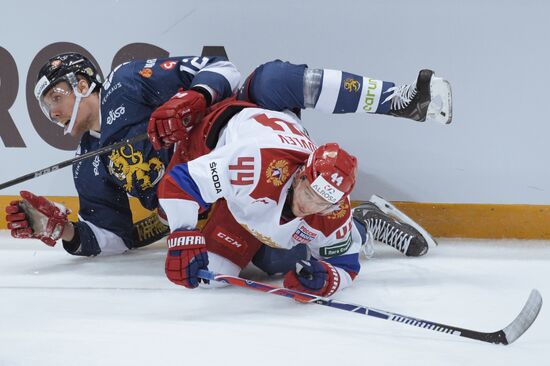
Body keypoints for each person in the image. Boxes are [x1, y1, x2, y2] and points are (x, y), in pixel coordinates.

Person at [5, 53, 450, 262]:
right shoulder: (87, 165)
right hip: (231, 196)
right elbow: (118, 236)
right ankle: (360, 223)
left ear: (84, 84)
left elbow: (223, 69)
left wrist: (192, 98)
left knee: (273, 78)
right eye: (47, 107)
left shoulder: (129, 79)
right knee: (274, 260)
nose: (54, 111)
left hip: (247, 131)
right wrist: (62, 230)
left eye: (57, 96)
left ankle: (401, 100)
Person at [155, 95, 435, 296]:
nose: (308, 206)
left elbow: (345, 267)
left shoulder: (335, 211)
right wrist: (183, 235)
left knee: (277, 263)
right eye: (309, 193)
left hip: (262, 201)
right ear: (301, 173)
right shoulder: (254, 163)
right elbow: (180, 182)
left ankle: (361, 225)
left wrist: (326, 281)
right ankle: (359, 226)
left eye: (322, 203)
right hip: (235, 158)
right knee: (209, 277)